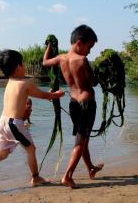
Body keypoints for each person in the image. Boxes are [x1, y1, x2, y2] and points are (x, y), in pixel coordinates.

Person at [0, 49, 65, 193]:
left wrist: (50, 94)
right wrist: (56, 94)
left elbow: (40, 95)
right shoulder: (24, 83)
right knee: (31, 149)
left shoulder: (10, 82)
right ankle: (35, 177)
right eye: (23, 63)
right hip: (14, 124)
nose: (25, 66)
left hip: (2, 121)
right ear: (18, 66)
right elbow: (43, 95)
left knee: (2, 153)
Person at [43, 25, 103, 189]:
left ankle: (90, 168)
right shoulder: (82, 60)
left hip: (73, 104)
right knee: (81, 140)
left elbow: (45, 62)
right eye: (89, 47)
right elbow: (92, 82)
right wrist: (100, 75)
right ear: (79, 42)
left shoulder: (61, 58)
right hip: (87, 104)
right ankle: (67, 175)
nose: (89, 51)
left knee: (83, 138)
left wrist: (49, 44)